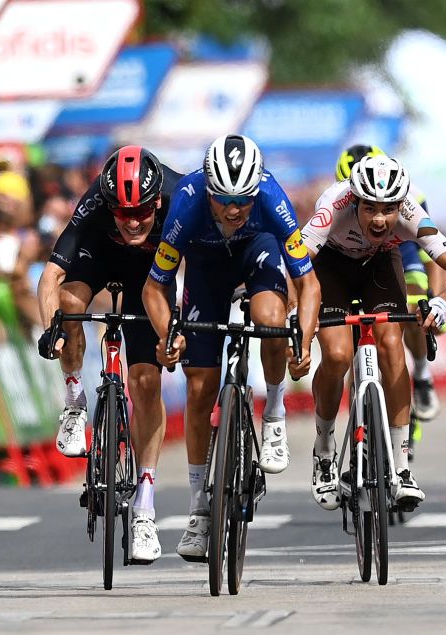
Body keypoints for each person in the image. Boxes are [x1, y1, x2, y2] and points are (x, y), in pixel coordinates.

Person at [141, 134, 321, 561]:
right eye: (224, 199)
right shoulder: (186, 202)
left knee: (271, 322)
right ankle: (199, 510)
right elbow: (155, 286)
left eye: (244, 198)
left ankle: (274, 412)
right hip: (206, 271)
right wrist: (168, 334)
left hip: (257, 257)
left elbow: (308, 283)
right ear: (208, 189)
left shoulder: (273, 198)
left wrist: (305, 339)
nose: (235, 209)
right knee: (200, 388)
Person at [301, 154, 446, 511]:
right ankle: (324, 449)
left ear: (401, 203)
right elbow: (297, 263)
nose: (380, 219)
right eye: (370, 209)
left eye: (388, 209)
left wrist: (441, 302)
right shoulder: (333, 205)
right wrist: (297, 317)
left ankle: (401, 467)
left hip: (380, 266)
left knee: (392, 348)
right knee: (336, 356)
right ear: (355, 200)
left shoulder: (412, 213)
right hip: (330, 267)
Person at [37, 146, 181, 563]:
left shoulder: (179, 199)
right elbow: (50, 276)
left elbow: (204, 267)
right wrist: (53, 330)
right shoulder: (95, 205)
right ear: (108, 203)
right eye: (123, 213)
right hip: (99, 257)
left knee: (146, 383)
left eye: (141, 213)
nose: (134, 221)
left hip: (151, 277)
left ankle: (145, 509)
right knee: (70, 301)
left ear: (157, 201)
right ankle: (74, 401)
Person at [336, 143, 443, 421]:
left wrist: (436, 301)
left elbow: (433, 258)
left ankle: (421, 374)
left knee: (412, 303)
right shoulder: (335, 202)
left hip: (401, 252)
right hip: (353, 257)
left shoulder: (413, 196)